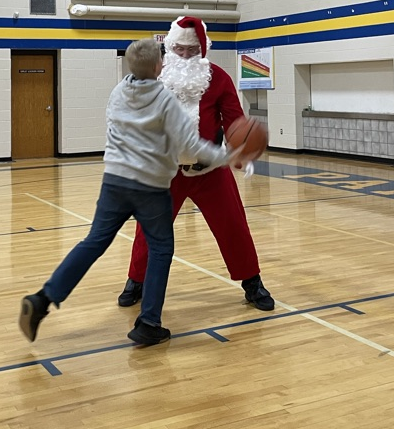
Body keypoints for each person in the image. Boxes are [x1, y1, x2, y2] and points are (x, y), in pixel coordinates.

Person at [18, 38, 236, 348]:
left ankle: (42, 299)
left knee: (93, 242)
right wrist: (227, 156)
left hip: (115, 181)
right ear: (159, 67)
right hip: (149, 187)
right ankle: (149, 322)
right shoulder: (165, 100)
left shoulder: (118, 91)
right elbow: (190, 148)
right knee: (161, 250)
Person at [117, 16, 275, 312]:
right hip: (165, 171)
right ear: (169, 46)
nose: (185, 56)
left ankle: (252, 282)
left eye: (192, 51)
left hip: (210, 169)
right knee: (148, 229)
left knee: (233, 225)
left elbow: (234, 120)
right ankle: (136, 280)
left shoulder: (219, 78)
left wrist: (240, 151)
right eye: (179, 49)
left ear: (203, 49)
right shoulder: (151, 78)